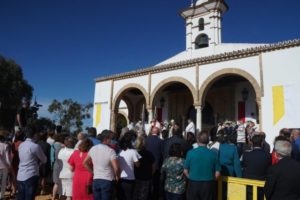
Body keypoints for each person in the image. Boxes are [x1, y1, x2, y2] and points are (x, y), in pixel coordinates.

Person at [184, 131, 221, 200]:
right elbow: (217, 173)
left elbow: (185, 171)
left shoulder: (190, 153)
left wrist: (191, 177)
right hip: (208, 184)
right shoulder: (213, 154)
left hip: (193, 183)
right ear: (208, 141)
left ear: (197, 140)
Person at [83, 130, 119, 200]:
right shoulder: (111, 151)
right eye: (111, 138)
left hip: (96, 180)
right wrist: (117, 176)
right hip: (107, 180)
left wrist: (93, 172)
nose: (112, 140)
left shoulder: (93, 149)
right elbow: (116, 168)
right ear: (106, 139)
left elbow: (85, 163)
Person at [17, 127, 47, 200]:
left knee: (21, 197)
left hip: (20, 174)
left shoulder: (21, 145)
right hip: (31, 174)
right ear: (35, 135)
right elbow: (44, 160)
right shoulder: (35, 146)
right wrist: (39, 164)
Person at [242, 135, 271, 200]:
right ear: (262, 143)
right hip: (262, 183)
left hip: (249, 182)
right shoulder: (268, 155)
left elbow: (243, 166)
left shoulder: (246, 155)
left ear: (252, 143)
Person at [118, 132, 141, 200]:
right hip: (130, 178)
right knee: (129, 197)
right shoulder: (133, 151)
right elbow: (137, 165)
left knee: (121, 196)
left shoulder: (120, 152)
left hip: (121, 178)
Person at [134, 136, 155, 200]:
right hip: (146, 178)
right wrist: (151, 174)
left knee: (135, 195)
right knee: (143, 196)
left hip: (136, 177)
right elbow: (154, 166)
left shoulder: (135, 153)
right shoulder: (149, 154)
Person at [145, 126, 164, 200]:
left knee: (147, 184)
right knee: (156, 184)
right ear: (158, 132)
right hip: (156, 166)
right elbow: (162, 154)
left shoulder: (146, 140)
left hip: (147, 165)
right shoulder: (160, 141)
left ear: (151, 131)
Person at [36, 131, 51, 195]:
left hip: (37, 162)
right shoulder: (48, 145)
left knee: (38, 176)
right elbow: (49, 155)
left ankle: (37, 189)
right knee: (44, 177)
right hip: (45, 163)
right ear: (45, 137)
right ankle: (42, 190)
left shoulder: (36, 144)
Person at [51, 134, 65, 200]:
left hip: (55, 165)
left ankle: (53, 197)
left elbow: (52, 158)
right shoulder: (63, 146)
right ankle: (60, 197)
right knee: (61, 183)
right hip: (63, 165)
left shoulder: (53, 146)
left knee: (56, 183)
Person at [0, 129, 11, 199]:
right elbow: (7, 158)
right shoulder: (5, 146)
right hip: (4, 167)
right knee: (3, 183)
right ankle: (1, 196)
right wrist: (10, 166)